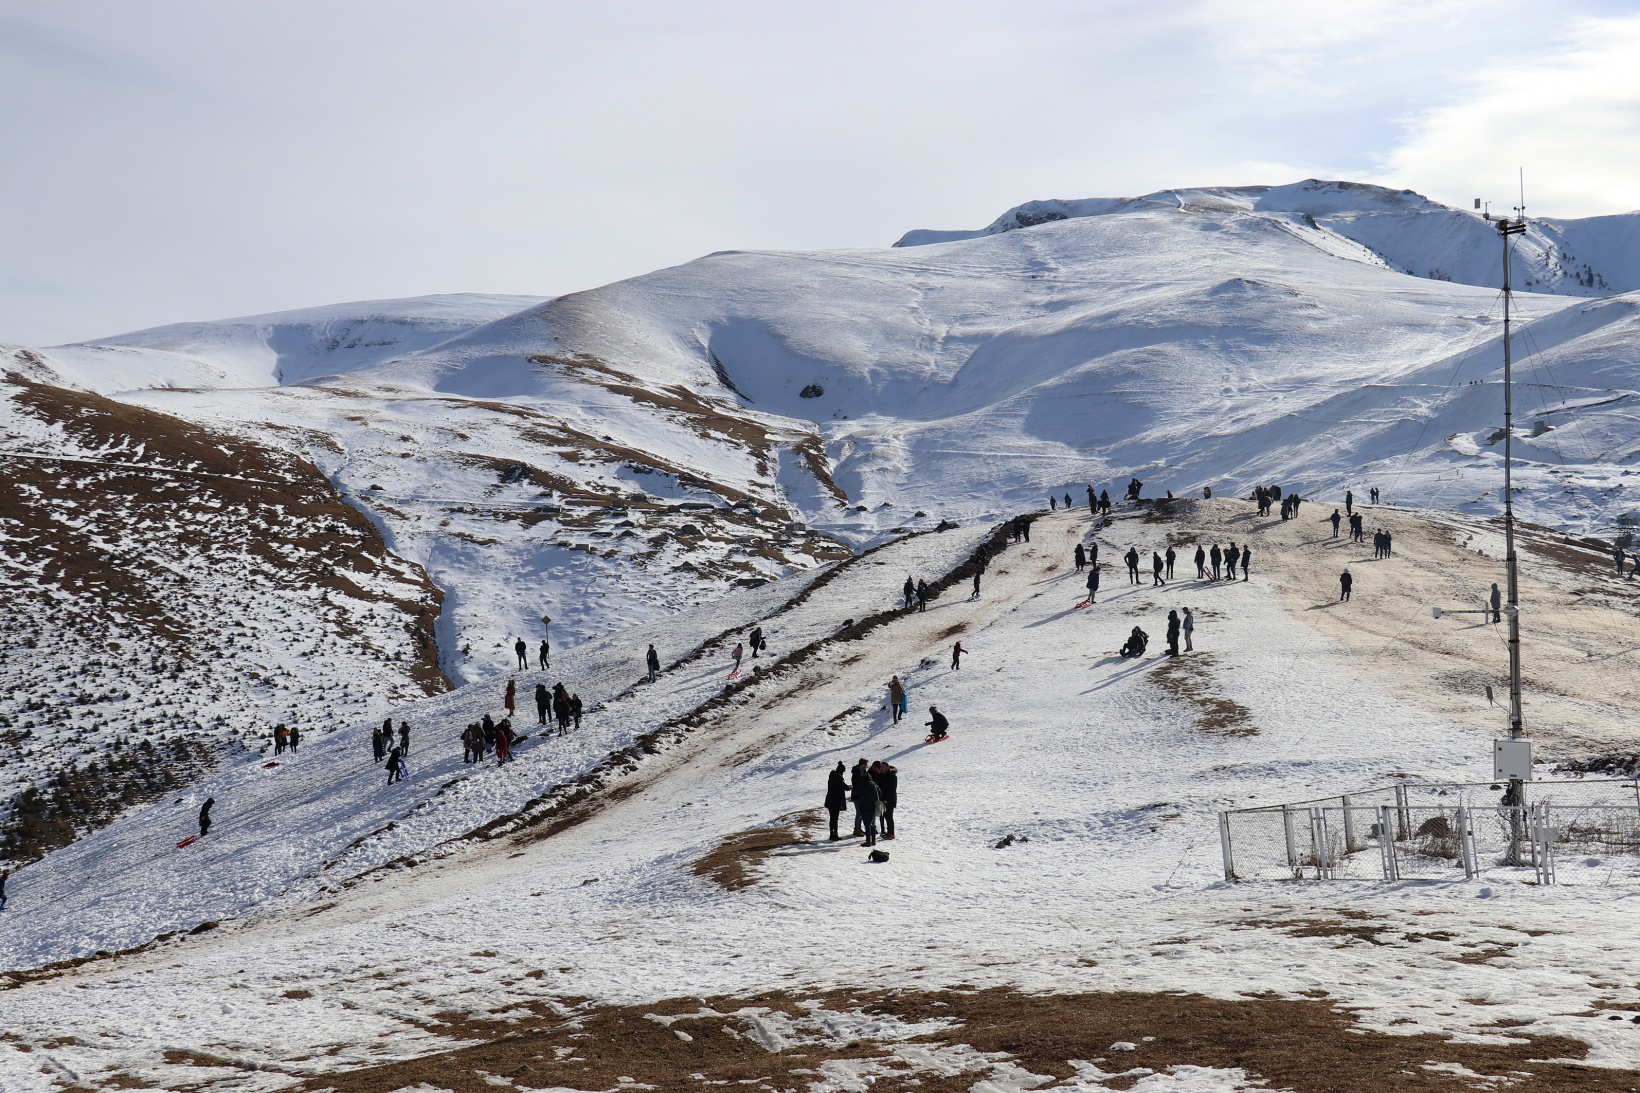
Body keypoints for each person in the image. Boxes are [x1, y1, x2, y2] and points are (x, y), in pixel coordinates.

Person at [854, 765, 882, 847]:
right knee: (872, 824)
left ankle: (868, 841)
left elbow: (856, 793)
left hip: (864, 806)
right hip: (873, 806)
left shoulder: (862, 785)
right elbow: (880, 793)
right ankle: (873, 840)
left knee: (867, 825)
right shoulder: (874, 785)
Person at [874, 761, 898, 840]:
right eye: (881, 767)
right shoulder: (882, 775)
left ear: (887, 767)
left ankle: (891, 833)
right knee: (885, 816)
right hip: (882, 800)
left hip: (889, 800)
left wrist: (887, 799)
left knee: (889, 817)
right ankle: (888, 832)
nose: (881, 769)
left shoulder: (892, 776)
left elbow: (892, 789)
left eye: (883, 767)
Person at [825, 762, 848, 841]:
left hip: (830, 800)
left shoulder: (832, 776)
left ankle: (832, 833)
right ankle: (835, 834)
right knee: (835, 818)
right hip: (836, 801)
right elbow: (845, 787)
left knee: (832, 818)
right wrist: (851, 787)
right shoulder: (838, 778)